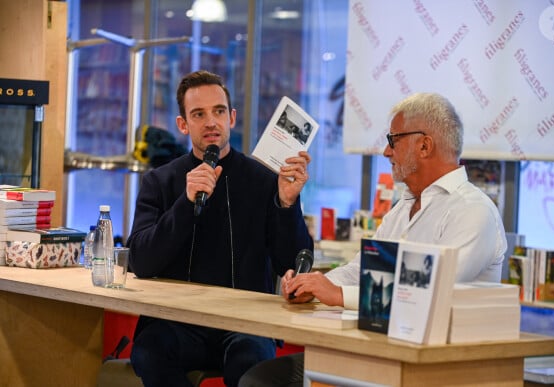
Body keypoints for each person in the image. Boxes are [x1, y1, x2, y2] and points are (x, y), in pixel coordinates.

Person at [238, 92, 507, 387]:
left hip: (433, 369)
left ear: (425, 145)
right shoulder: (403, 208)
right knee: (260, 380)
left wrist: (337, 295)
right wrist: (311, 286)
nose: (386, 152)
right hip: (378, 352)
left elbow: (426, 297)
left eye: (393, 140)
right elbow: (359, 270)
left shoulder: (472, 211)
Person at [127, 70, 314, 387]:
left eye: (219, 111)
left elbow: (292, 261)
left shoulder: (265, 179)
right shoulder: (160, 181)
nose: (211, 122)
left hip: (245, 323)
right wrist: (185, 205)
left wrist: (286, 203)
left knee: (250, 361)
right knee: (148, 352)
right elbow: (141, 261)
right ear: (183, 124)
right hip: (178, 321)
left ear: (232, 118)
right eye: (198, 114)